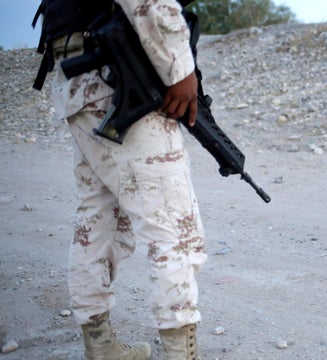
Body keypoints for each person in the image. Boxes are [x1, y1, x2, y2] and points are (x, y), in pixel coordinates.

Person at [33, 0, 207, 358]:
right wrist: (180, 67)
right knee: (174, 228)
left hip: (79, 77)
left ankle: (100, 346)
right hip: (116, 74)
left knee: (98, 219)